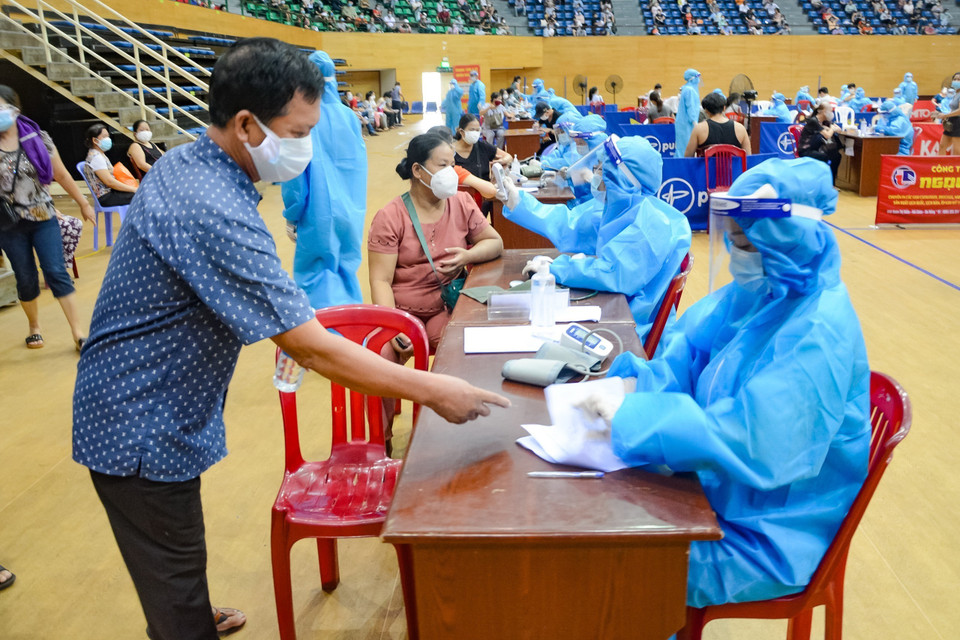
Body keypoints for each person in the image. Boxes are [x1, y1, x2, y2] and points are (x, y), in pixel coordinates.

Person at [72, 38, 510, 640]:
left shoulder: (188, 163)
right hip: (138, 419)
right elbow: (310, 345)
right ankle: (183, 619)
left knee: (176, 547)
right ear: (247, 125)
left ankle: (185, 604)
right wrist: (434, 390)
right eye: (299, 132)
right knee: (170, 568)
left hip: (153, 401)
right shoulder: (211, 207)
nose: (306, 146)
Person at [596, 157, 870, 610]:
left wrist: (638, 419)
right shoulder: (761, 292)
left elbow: (754, 441)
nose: (737, 254)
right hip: (716, 493)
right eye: (735, 240)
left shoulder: (818, 332)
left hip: (768, 532)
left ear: (786, 242)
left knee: (618, 562)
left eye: (747, 244)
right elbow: (687, 355)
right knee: (602, 520)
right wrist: (631, 386)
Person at [499, 135, 692, 342]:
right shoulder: (618, 207)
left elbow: (612, 272)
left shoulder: (650, 225)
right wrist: (520, 203)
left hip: (631, 326)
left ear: (621, 180)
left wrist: (555, 269)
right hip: (616, 306)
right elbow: (573, 225)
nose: (596, 175)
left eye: (603, 170)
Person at [368, 131, 503, 358]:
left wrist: (468, 256)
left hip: (447, 305)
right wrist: (394, 326)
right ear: (417, 170)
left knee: (465, 350)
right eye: (442, 165)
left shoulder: (461, 202)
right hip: (402, 311)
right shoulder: (390, 217)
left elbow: (494, 242)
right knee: (380, 357)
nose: (451, 173)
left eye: (452, 165)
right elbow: (380, 281)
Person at [0, 85, 96, 350]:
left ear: (14, 109)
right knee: (25, 278)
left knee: (56, 271)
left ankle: (78, 333)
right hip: (9, 223)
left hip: (43, 216)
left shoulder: (38, 138)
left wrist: (83, 203)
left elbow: (61, 174)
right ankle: (34, 327)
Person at [281, 50, 367, 310]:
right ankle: (350, 322)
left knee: (316, 275)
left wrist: (292, 214)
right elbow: (358, 166)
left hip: (317, 211)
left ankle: (325, 328)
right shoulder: (349, 116)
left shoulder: (302, 118)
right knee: (346, 267)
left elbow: (295, 175)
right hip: (352, 208)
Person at [82, 124, 138, 207]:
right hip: (105, 197)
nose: (108, 139)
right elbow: (109, 182)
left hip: (111, 192)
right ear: (95, 140)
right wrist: (133, 189)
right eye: (104, 136)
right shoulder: (96, 157)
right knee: (140, 195)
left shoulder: (99, 154)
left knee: (139, 193)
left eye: (108, 136)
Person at [684, 91, 751, 157]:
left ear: (706, 111)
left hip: (707, 165)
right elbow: (748, 157)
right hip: (734, 165)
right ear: (724, 108)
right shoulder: (740, 128)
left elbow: (688, 157)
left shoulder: (699, 129)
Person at [452, 113, 512, 181]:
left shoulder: (483, 146)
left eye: (477, 130)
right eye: (472, 130)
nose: (475, 133)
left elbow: (508, 157)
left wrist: (501, 161)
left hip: (486, 186)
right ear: (461, 131)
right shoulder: (451, 151)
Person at [798, 100, 842, 183]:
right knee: (825, 157)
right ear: (822, 111)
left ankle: (832, 183)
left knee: (837, 156)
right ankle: (821, 182)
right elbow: (827, 135)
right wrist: (832, 129)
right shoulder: (813, 121)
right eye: (829, 111)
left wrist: (832, 128)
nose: (831, 113)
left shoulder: (825, 121)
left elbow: (838, 129)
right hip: (806, 150)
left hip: (817, 147)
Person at [675, 69, 701, 161]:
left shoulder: (687, 89)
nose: (699, 80)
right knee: (685, 147)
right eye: (697, 77)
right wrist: (695, 122)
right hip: (687, 124)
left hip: (685, 123)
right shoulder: (689, 90)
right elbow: (690, 107)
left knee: (683, 146)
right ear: (692, 78)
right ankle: (683, 166)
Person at [934, 72, 960, 155]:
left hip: (958, 123)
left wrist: (945, 115)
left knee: (957, 150)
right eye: (955, 79)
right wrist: (942, 115)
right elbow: (953, 109)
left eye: (959, 79)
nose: (956, 81)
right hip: (951, 121)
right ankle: (940, 163)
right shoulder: (956, 94)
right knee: (942, 146)